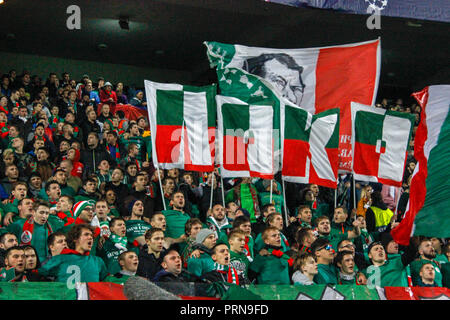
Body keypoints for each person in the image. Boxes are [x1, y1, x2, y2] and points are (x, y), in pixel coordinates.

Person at [37, 224, 108, 282]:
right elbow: (38, 274)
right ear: (75, 238)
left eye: (92, 236)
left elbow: (107, 281)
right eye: (86, 234)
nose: (90, 238)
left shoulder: (98, 261)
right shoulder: (60, 258)